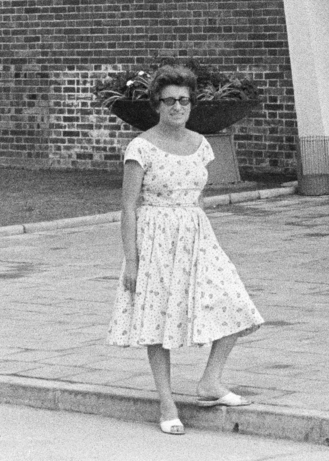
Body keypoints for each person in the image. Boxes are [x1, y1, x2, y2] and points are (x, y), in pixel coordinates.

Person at [108, 64, 263, 436]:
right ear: (157, 105)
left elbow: (199, 199)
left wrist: (207, 244)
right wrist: (132, 260)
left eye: (184, 101)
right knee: (159, 322)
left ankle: (211, 382)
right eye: (170, 101)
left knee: (235, 302)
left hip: (196, 235)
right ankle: (166, 403)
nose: (178, 107)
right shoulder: (141, 147)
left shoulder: (201, 144)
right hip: (154, 239)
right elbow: (128, 206)